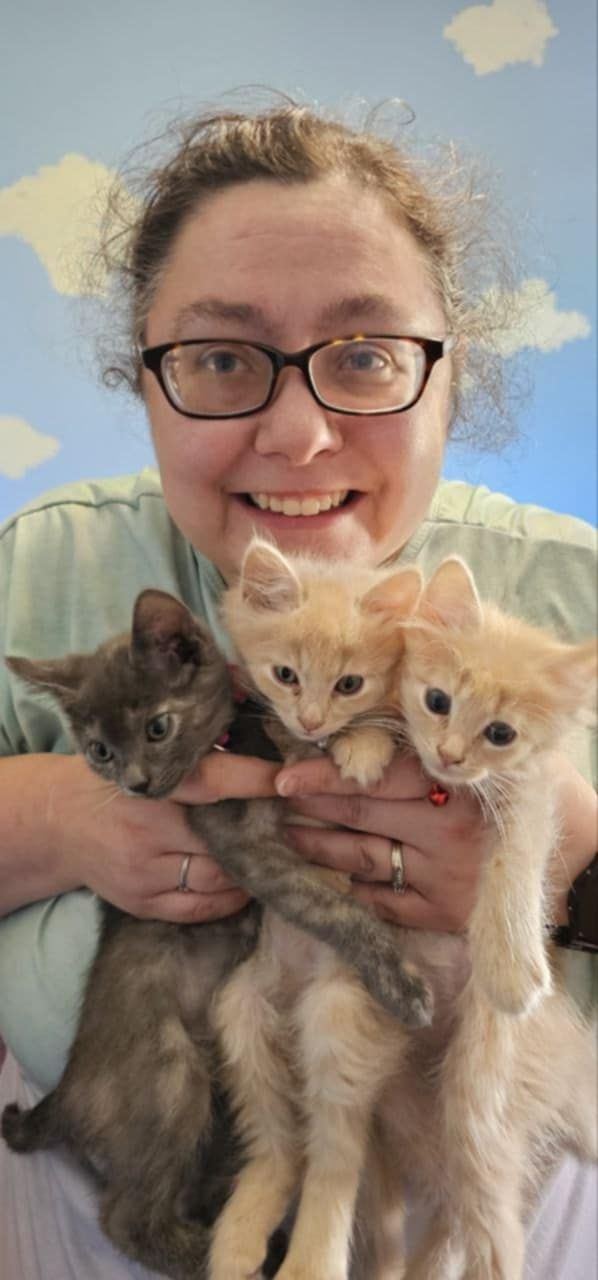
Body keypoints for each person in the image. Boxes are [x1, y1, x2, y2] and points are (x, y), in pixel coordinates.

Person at [0, 99, 595, 1280]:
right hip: (94, 1200)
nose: (300, 433)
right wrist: (54, 817)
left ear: (449, 377)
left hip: (506, 1200)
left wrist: (569, 868)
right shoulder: (37, 570)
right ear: (145, 379)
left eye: (366, 356)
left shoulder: (569, 589)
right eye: (221, 358)